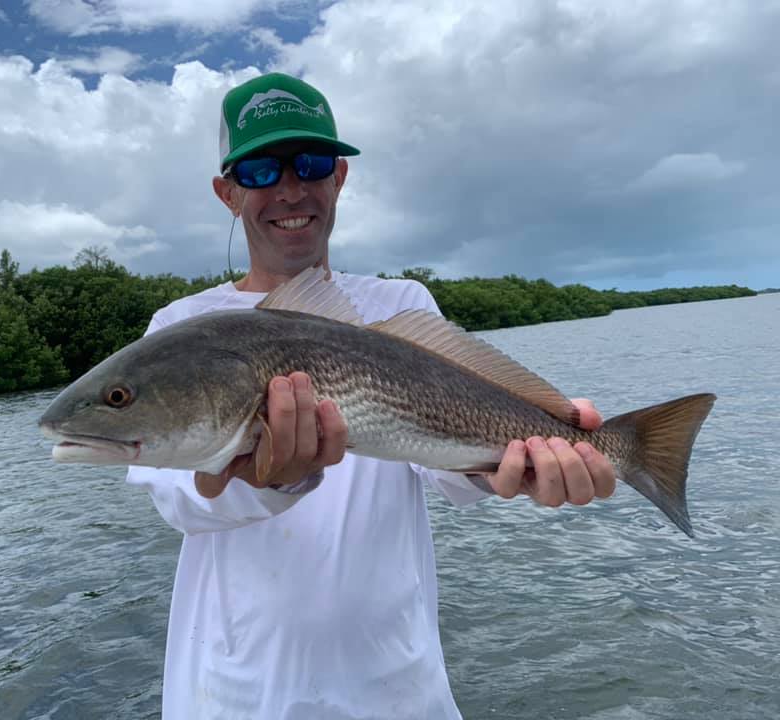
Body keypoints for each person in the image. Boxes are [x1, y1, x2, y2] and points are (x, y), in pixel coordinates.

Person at [126, 72, 616, 720]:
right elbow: (178, 498)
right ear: (228, 190)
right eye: (261, 169)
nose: (291, 189)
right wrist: (258, 477)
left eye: (311, 163)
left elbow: (446, 469)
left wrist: (524, 466)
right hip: (235, 694)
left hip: (398, 689)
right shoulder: (181, 325)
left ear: (340, 177)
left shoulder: (401, 304)